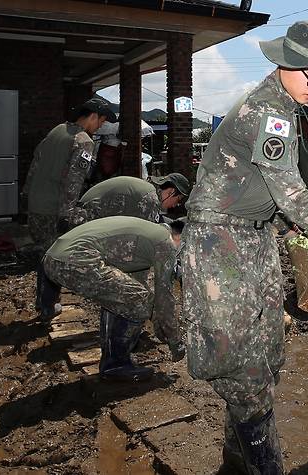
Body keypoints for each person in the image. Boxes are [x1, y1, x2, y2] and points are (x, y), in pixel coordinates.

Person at [182, 20, 308, 474]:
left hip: (254, 234)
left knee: (268, 348)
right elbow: (289, 190)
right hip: (220, 238)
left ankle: (235, 460)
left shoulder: (286, 107)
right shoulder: (269, 110)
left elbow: (270, 191)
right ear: (285, 63)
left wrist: (290, 228)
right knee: (238, 355)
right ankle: (263, 463)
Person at [42, 216, 185, 381]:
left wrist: (159, 324)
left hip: (54, 257)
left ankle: (113, 359)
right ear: (179, 238)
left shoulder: (147, 237)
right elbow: (164, 297)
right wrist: (175, 340)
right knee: (139, 301)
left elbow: (141, 288)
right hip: (74, 260)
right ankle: (116, 364)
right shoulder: (164, 244)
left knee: (124, 297)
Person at [23, 97, 117, 320]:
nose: (100, 127)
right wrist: (67, 215)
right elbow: (73, 182)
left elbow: (35, 164)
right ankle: (47, 305)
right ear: (92, 116)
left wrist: (27, 195)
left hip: (36, 203)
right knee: (53, 257)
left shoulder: (57, 130)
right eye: (101, 121)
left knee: (44, 253)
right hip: (53, 208)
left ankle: (44, 302)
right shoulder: (83, 141)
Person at [78, 173, 190, 223]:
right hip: (84, 220)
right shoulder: (150, 199)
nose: (176, 205)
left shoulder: (149, 188)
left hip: (83, 213)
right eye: (178, 200)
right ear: (171, 192)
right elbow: (146, 232)